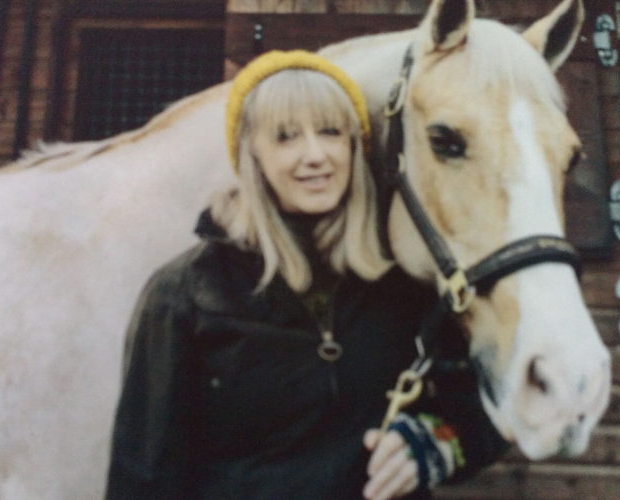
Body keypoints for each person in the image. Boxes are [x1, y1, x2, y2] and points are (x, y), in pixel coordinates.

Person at [104, 50, 508, 500]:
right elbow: (143, 477)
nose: (314, 156)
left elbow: (489, 408)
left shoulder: (404, 283)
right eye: (286, 137)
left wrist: (434, 443)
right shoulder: (183, 295)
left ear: (354, 146)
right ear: (252, 154)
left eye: (331, 132)